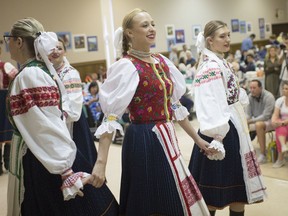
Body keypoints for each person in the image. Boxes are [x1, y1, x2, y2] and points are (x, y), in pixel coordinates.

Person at [90, 8, 213, 216]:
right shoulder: (126, 66)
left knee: (173, 194)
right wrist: (101, 163)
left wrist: (198, 140)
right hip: (143, 138)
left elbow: (175, 107)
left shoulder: (162, 62)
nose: (152, 29)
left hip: (167, 136)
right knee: (149, 198)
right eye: (145, 25)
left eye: (153, 24)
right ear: (129, 33)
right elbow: (110, 117)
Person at [5, 17, 118, 215]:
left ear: (20, 41)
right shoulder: (39, 71)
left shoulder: (30, 75)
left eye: (9, 39)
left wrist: (65, 170)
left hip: (40, 153)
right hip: (42, 150)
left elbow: (43, 125)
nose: (8, 44)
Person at [189, 20, 266, 216]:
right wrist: (218, 135)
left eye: (228, 35)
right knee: (214, 193)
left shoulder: (219, 61)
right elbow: (209, 104)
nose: (227, 40)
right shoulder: (210, 67)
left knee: (237, 193)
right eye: (222, 36)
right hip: (220, 131)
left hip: (232, 125)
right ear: (210, 40)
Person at [246, 80, 275, 163]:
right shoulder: (249, 97)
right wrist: (245, 120)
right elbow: (248, 114)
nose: (252, 90)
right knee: (242, 124)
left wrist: (251, 121)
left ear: (261, 88)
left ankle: (263, 154)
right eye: (250, 88)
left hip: (270, 121)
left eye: (254, 88)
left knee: (258, 125)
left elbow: (266, 116)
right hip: (256, 119)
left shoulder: (269, 97)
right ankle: (247, 151)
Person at [0, 45, 18, 175]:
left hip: (3, 100)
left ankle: (7, 163)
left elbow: (17, 77)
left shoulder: (5, 65)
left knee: (8, 134)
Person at [271, 81, 288, 168]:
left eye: (286, 89)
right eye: (284, 88)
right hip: (283, 124)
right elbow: (275, 114)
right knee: (279, 128)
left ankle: (280, 158)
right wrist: (274, 121)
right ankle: (283, 146)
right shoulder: (280, 100)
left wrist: (283, 122)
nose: (284, 90)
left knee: (281, 127)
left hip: (285, 122)